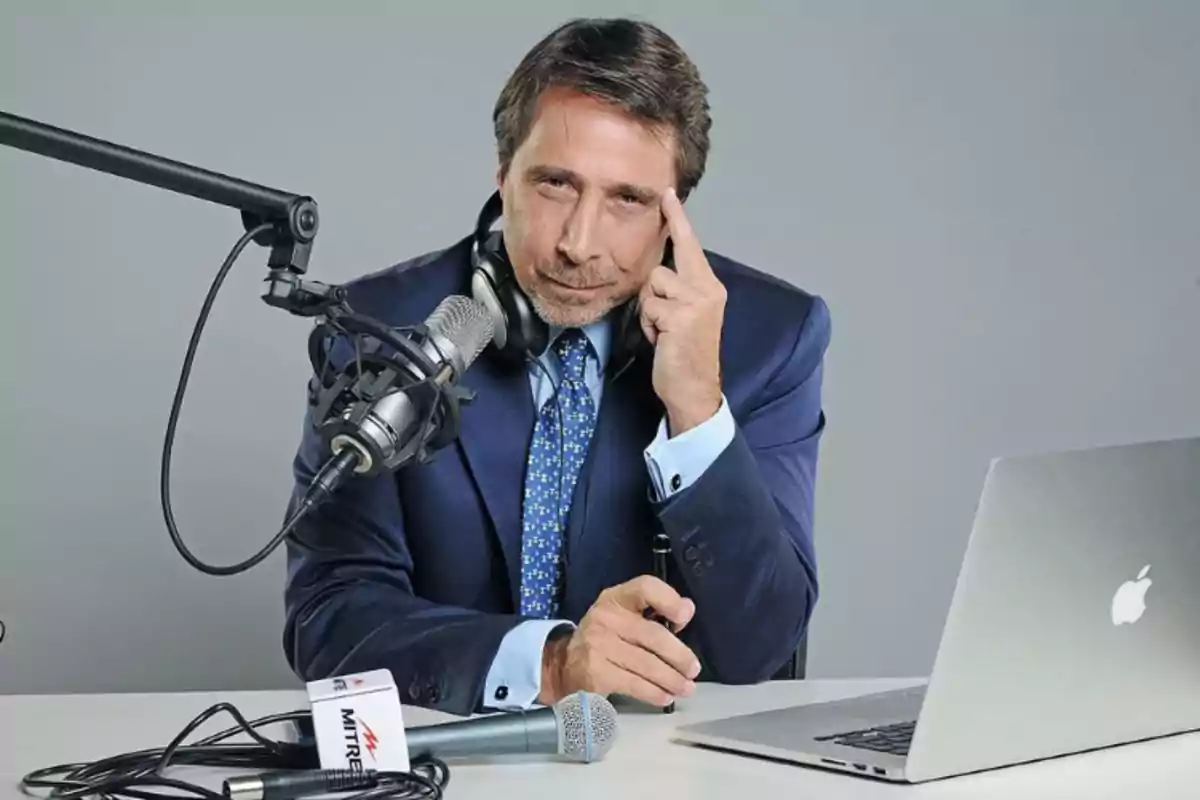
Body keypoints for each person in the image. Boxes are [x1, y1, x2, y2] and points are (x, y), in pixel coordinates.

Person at [282, 17, 832, 717]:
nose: (579, 243)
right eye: (555, 186)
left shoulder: (771, 339)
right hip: (452, 767)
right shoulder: (378, 329)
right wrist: (550, 664)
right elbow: (328, 618)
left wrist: (697, 406)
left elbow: (763, 645)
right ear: (502, 172)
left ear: (676, 213)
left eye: (628, 200)